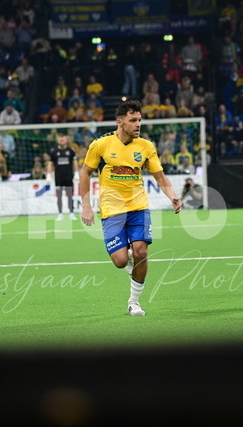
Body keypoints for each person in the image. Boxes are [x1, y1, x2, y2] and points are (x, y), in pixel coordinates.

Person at [80, 100, 182, 316]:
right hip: (111, 209)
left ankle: (134, 302)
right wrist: (86, 206)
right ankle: (128, 258)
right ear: (120, 122)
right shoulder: (100, 145)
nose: (138, 124)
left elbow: (159, 176)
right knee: (120, 261)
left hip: (138, 206)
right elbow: (85, 173)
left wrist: (172, 195)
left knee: (141, 251)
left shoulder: (146, 146)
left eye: (139, 120)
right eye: (133, 120)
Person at [46, 133, 79, 221]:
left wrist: (76, 173)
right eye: (60, 139)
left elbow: (74, 162)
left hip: (68, 177)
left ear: (66, 140)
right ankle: (60, 214)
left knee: (70, 195)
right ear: (57, 140)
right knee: (59, 196)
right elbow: (50, 164)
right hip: (58, 177)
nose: (61, 140)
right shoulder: (54, 151)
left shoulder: (71, 151)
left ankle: (71, 213)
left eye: (63, 138)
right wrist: (48, 175)